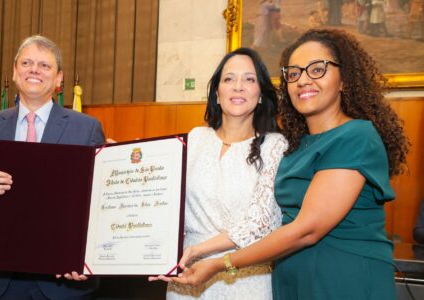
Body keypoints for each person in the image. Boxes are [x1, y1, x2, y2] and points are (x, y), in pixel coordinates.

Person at [169, 28, 409, 299]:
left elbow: (307, 229)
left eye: (317, 69)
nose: (303, 80)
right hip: (291, 281)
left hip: (343, 280)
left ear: (344, 80)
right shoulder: (296, 147)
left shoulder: (355, 136)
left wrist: (221, 263)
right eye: (294, 73)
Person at [0, 35, 104, 299]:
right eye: (27, 63)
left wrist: (88, 258)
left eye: (44, 65)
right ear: (15, 73)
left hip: (63, 279)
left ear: (59, 78)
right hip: (3, 278)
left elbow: (97, 201)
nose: (34, 70)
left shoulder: (86, 128)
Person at [160, 48, 288, 299]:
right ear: (217, 93)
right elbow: (165, 196)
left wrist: (198, 251)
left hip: (245, 278)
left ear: (260, 94)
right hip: (188, 278)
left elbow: (259, 225)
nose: (238, 86)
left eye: (249, 79)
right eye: (229, 79)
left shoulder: (275, 145)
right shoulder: (196, 138)